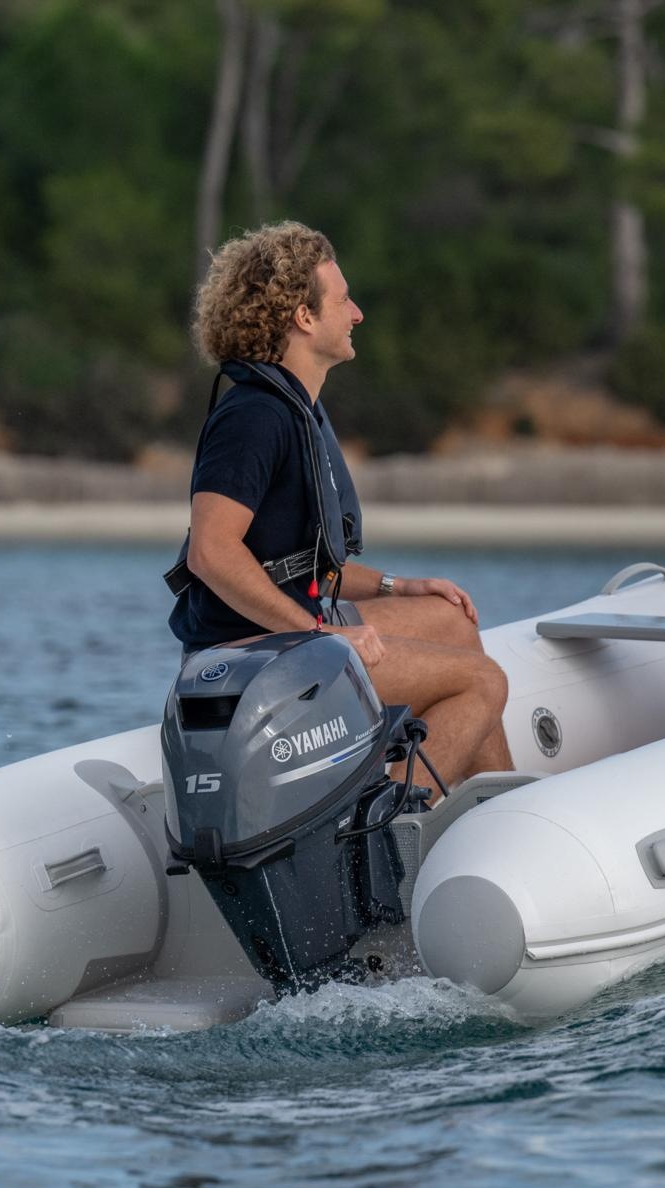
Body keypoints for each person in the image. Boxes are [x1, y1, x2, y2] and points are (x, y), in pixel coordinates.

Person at [171, 221, 512, 786]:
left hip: (284, 635)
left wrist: (398, 586)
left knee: (449, 622)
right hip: (246, 658)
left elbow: (303, 565)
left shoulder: (296, 409)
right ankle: (394, 831)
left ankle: (492, 814)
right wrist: (319, 633)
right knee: (485, 682)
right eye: (343, 300)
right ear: (304, 318)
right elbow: (212, 551)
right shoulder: (254, 417)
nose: (357, 314)